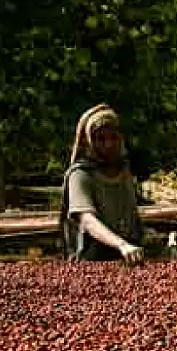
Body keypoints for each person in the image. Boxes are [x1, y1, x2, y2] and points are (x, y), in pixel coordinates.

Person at [60, 104, 145, 264]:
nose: (108, 144)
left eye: (113, 137)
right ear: (88, 140)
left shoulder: (124, 170)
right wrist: (121, 244)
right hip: (92, 259)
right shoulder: (80, 174)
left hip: (129, 256)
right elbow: (87, 219)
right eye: (101, 139)